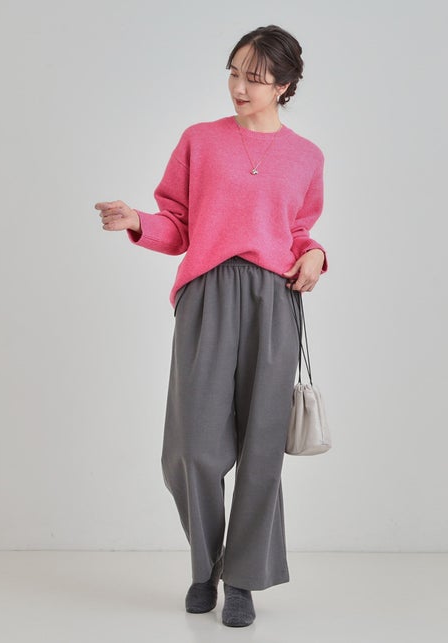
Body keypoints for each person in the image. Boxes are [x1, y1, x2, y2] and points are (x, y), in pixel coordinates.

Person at [94, 24, 328, 628]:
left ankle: (241, 580)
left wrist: (315, 254)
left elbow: (299, 231)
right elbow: (177, 223)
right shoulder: (199, 140)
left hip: (274, 300)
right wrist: (137, 221)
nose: (240, 87)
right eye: (234, 73)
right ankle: (207, 564)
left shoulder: (307, 156)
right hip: (206, 294)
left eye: (256, 78)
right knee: (191, 449)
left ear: (286, 85)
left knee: (261, 449)